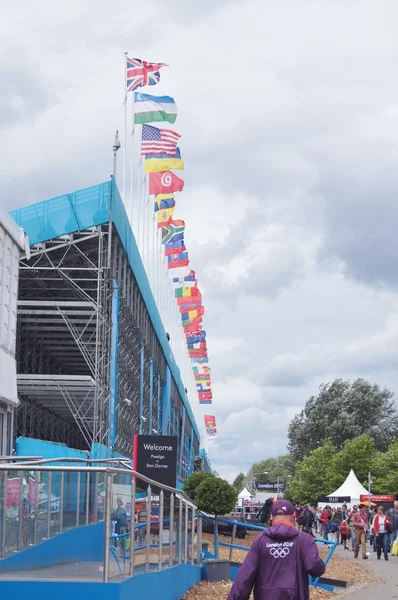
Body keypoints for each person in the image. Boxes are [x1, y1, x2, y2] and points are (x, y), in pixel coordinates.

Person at [227, 500, 325, 600]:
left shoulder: (260, 541)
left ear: (272, 517)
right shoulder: (304, 539)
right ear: (292, 517)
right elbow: (315, 568)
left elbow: (245, 576)